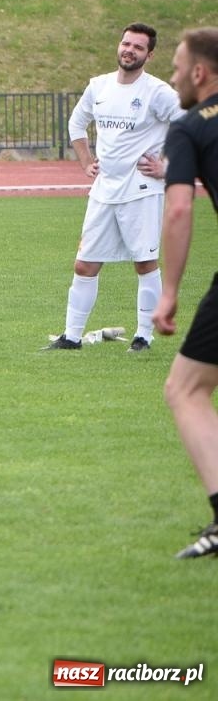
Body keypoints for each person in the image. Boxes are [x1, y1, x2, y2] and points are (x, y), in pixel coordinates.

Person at [46, 23, 182, 351]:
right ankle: (71, 338)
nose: (129, 50)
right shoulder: (99, 86)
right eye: (126, 44)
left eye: (137, 47)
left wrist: (168, 166)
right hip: (105, 190)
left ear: (149, 55)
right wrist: (85, 160)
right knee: (85, 264)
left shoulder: (158, 92)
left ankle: (143, 337)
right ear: (118, 46)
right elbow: (77, 123)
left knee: (145, 263)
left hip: (142, 190)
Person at [152, 28, 218, 559]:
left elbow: (178, 209)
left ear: (200, 73)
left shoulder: (189, 127)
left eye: (176, 67)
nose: (172, 77)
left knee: (186, 389)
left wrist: (168, 291)